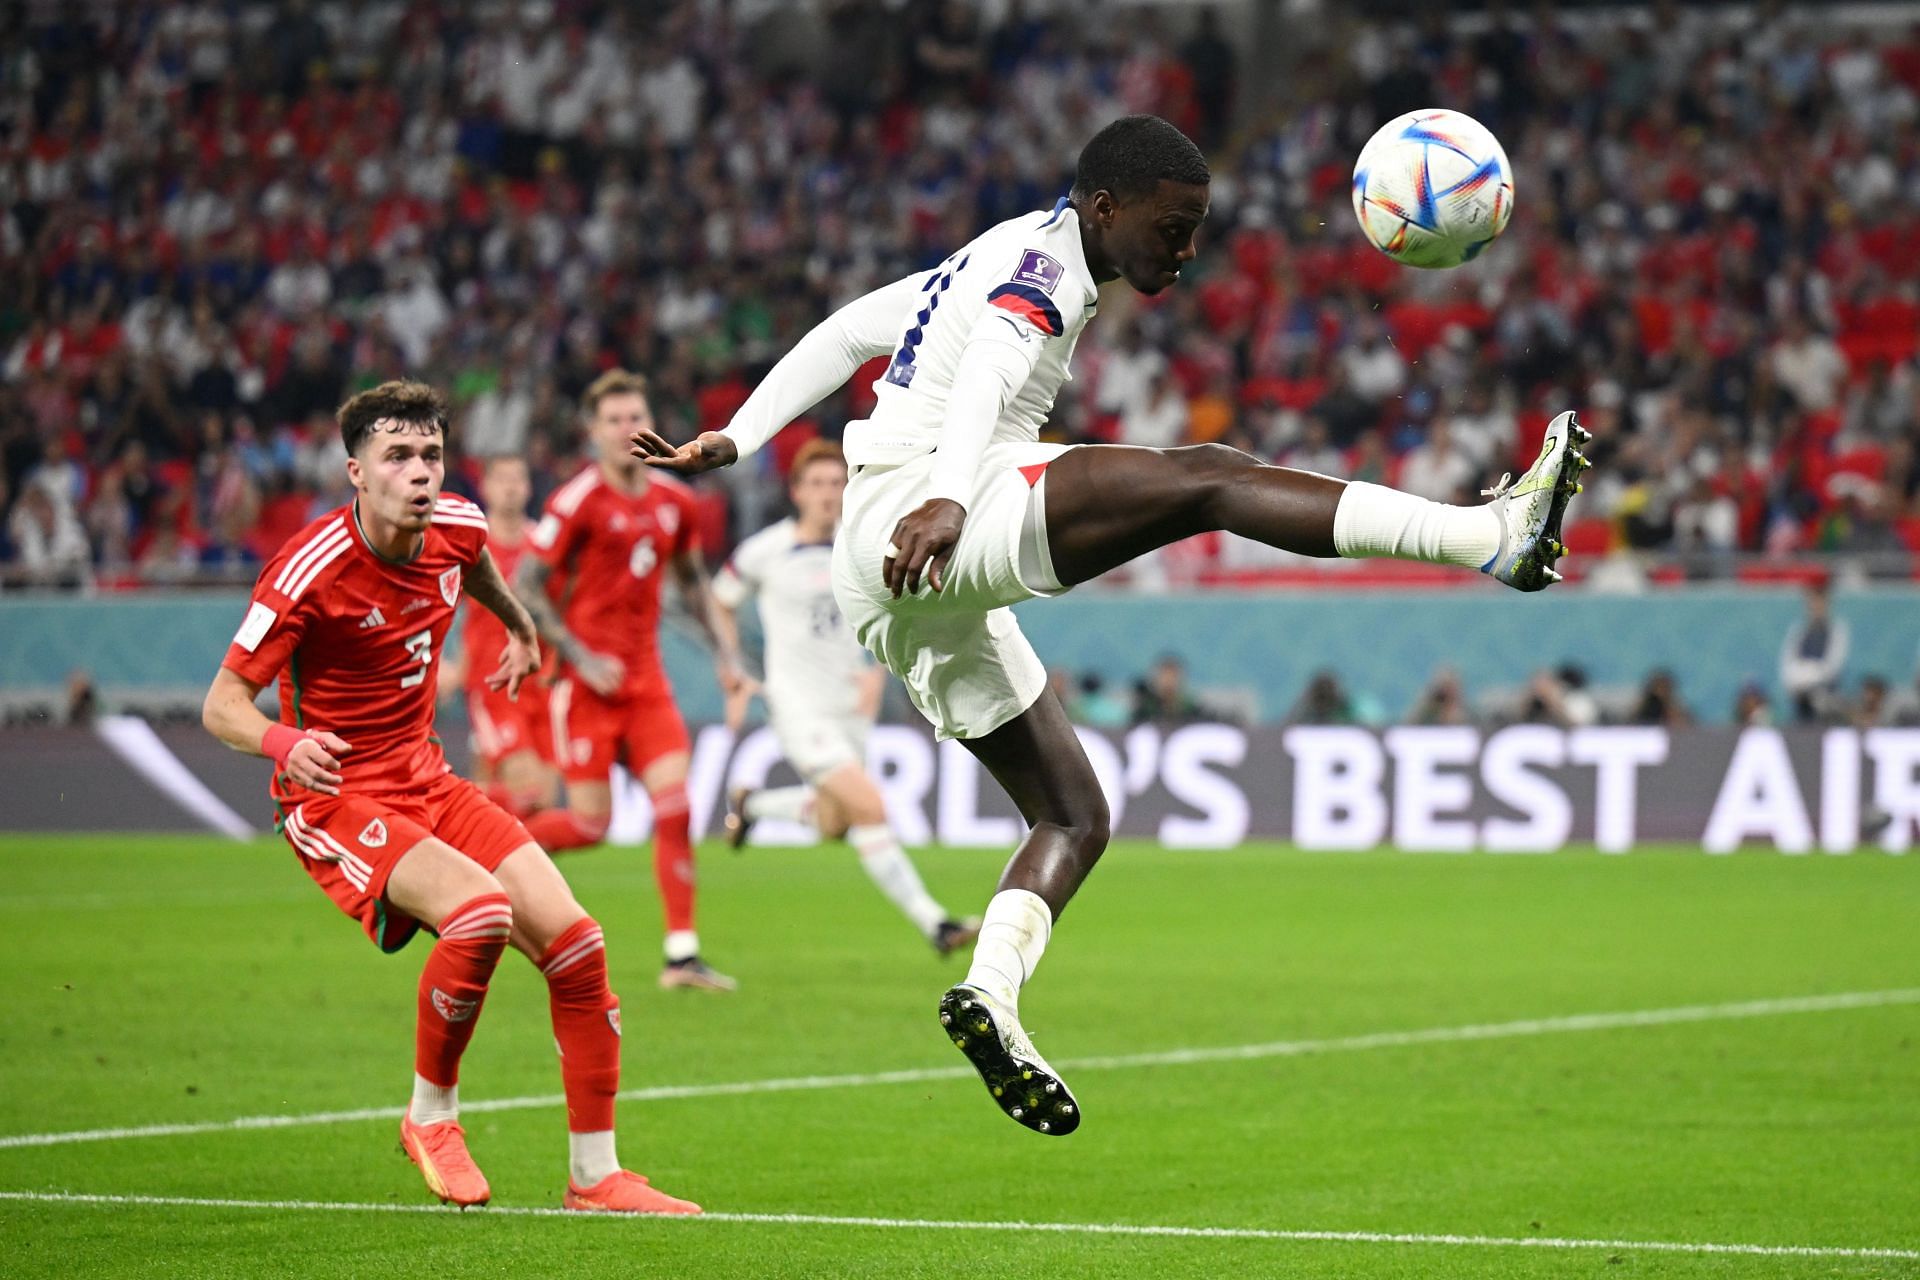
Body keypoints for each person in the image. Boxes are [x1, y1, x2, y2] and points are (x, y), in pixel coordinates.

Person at [632, 115, 1590, 1137]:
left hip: (897, 573)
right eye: (1174, 228)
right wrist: (952, 497)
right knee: (1210, 479)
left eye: (1196, 230)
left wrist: (740, 434)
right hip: (923, 513)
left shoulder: (1000, 252)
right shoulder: (1039, 270)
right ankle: (1489, 535)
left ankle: (991, 992)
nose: (1185, 249)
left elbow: (851, 332)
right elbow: (993, 373)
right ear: (1105, 207)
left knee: (1077, 814)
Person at [200, 380, 697, 1214]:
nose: (421, 472)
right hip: (334, 798)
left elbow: (480, 568)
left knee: (578, 945)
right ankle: (431, 1116)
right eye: (399, 457)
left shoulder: (457, 526)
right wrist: (287, 742)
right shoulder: (307, 571)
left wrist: (520, 626)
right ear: (356, 471)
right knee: (480, 913)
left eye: (430, 454)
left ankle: (595, 1176)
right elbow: (220, 706)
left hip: (426, 779)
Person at [515, 370, 744, 992]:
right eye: (613, 419)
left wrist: (728, 657)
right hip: (584, 687)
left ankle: (681, 955)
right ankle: (486, 850)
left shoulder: (676, 502)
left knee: (677, 808)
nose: (626, 429)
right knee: (589, 826)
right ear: (593, 431)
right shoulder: (577, 500)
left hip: (646, 685)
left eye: (634, 416)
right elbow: (526, 588)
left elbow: (694, 582)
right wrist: (581, 655)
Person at [709, 439, 979, 956]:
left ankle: (753, 806)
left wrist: (879, 667)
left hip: (852, 705)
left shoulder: (861, 545)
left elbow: (889, 606)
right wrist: (735, 668)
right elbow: (719, 602)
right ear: (796, 492)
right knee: (870, 807)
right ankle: (936, 924)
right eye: (817, 484)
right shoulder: (766, 551)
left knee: (835, 823)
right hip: (797, 705)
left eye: (837, 483)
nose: (828, 494)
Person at [456, 455, 559, 818]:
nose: (511, 487)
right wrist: (446, 668)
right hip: (494, 685)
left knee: (543, 800)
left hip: (541, 686)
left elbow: (561, 612)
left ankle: (463, 821)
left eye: (518, 479)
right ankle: (443, 814)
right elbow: (437, 607)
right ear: (485, 487)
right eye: (502, 479)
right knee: (527, 789)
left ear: (529, 487)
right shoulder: (471, 547)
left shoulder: (543, 547)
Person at [1779, 578, 1849, 722]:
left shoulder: (1836, 631)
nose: (1815, 607)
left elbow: (1832, 667)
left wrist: (1808, 675)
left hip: (1825, 700)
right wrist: (1799, 681)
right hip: (1800, 699)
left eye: (1819, 603)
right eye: (1812, 603)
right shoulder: (1799, 632)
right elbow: (1787, 665)